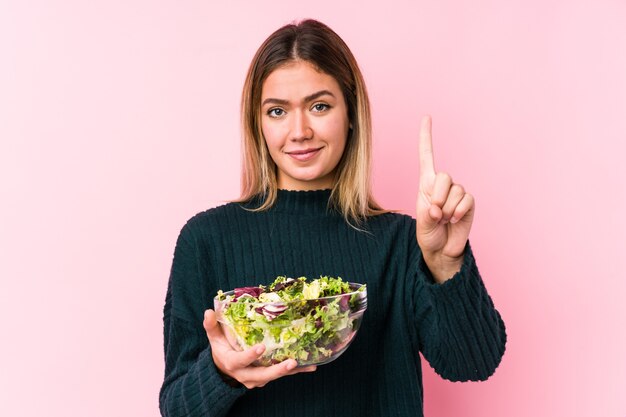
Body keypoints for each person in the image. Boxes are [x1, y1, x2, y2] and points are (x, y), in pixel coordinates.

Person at [159, 19, 506, 417]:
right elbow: (176, 408)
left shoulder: (401, 242)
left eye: (319, 106)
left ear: (351, 113)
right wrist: (221, 372)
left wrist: (445, 262)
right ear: (258, 124)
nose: (299, 131)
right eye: (277, 111)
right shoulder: (206, 239)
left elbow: (473, 363)